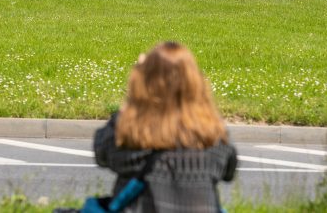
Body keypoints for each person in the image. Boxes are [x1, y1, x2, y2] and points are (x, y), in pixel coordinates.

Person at [94, 41, 237, 212]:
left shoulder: (132, 140)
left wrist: (134, 97)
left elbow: (101, 152)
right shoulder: (213, 143)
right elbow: (229, 171)